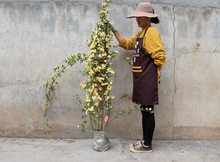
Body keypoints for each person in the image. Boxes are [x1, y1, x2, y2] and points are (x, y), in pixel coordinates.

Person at [110, 2, 167, 153]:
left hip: (147, 79)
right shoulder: (141, 33)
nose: (137, 19)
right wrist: (114, 30)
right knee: (145, 111)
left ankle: (147, 145)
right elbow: (126, 43)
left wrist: (154, 75)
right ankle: (144, 141)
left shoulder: (151, 32)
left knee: (148, 111)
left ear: (148, 18)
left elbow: (160, 56)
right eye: (136, 17)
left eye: (140, 17)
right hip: (141, 79)